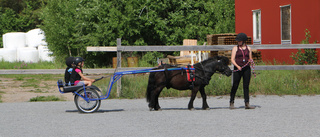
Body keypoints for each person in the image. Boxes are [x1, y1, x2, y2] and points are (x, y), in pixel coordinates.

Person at [229, 33, 255, 109]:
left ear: (243, 41)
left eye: (239, 41)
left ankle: (247, 103)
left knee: (246, 86)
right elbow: (232, 59)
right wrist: (237, 66)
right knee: (235, 85)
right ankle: (231, 102)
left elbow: (250, 58)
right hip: (237, 69)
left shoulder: (249, 48)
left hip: (246, 68)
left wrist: (251, 61)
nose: (238, 42)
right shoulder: (235, 48)